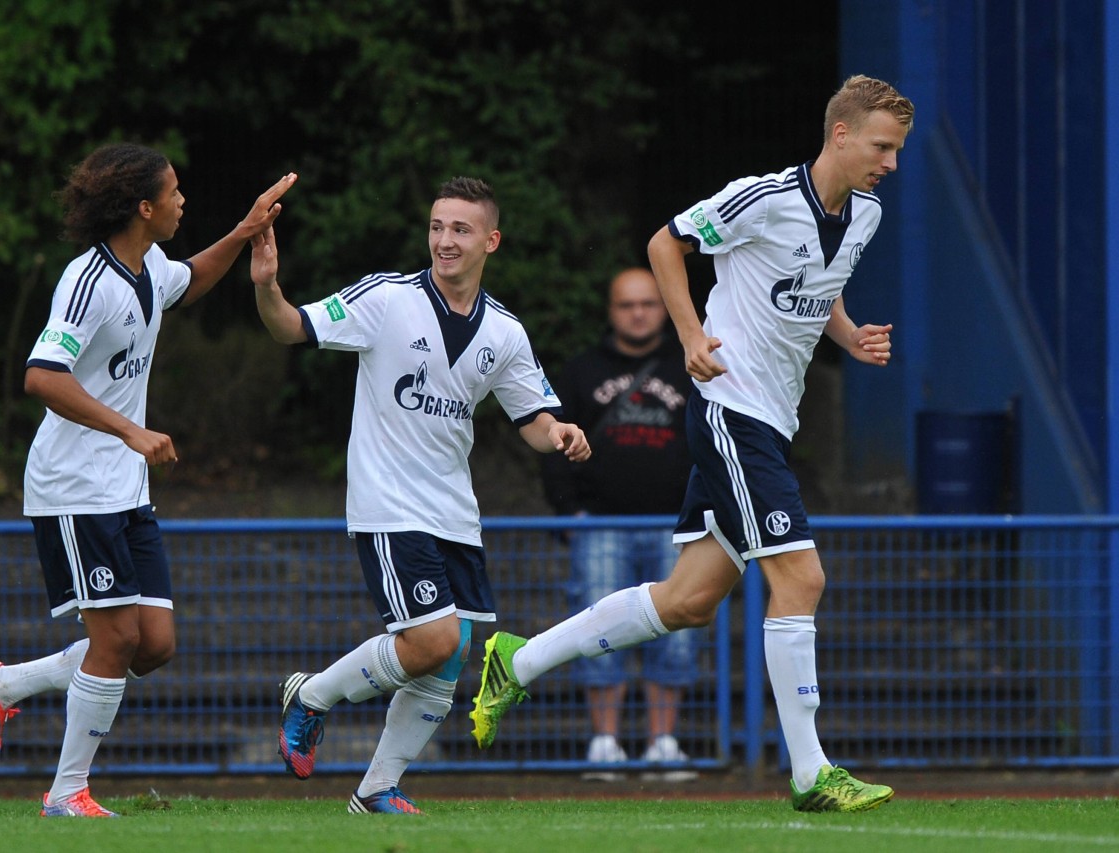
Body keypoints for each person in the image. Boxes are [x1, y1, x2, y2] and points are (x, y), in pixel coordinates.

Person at [470, 75, 914, 812]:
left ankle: (519, 658)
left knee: (688, 600)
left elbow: (821, 283)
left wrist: (850, 335)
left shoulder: (863, 214)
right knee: (802, 580)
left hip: (772, 419)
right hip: (731, 410)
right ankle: (811, 773)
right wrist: (687, 335)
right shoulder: (764, 198)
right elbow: (664, 243)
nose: (890, 163)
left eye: (896, 150)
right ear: (840, 134)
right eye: (881, 147)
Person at [0, 142, 296, 817]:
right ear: (143, 207)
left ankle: (4, 683)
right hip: (73, 485)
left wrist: (245, 229)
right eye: (173, 192)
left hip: (124, 488)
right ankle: (67, 793)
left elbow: (191, 280)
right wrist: (129, 429)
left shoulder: (148, 268)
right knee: (115, 640)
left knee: (154, 645)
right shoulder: (89, 282)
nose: (182, 201)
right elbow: (41, 375)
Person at [252, 176, 591, 815]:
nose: (444, 240)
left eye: (460, 229)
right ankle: (314, 697)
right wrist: (268, 287)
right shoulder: (386, 299)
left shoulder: (505, 333)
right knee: (433, 641)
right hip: (389, 503)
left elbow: (535, 422)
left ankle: (376, 788)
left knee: (450, 655)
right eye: (437, 227)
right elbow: (290, 329)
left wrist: (563, 433)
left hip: (454, 513)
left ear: (491, 240)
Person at [540, 267, 699, 782]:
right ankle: (604, 742)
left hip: (676, 527)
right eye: (627, 304)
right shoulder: (582, 370)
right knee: (597, 628)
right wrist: (570, 515)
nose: (637, 313)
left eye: (648, 303)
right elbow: (551, 444)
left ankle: (662, 742)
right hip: (599, 525)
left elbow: (712, 444)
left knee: (674, 632)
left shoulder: (689, 368)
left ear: (664, 307)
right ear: (611, 310)